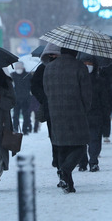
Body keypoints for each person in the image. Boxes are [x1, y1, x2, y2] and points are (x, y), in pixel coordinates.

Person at [43, 46, 91, 193]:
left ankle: (68, 184)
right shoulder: (79, 67)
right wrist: (85, 108)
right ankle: (65, 170)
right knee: (81, 145)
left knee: (62, 147)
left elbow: (46, 91)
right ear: (75, 52)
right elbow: (86, 93)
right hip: (76, 111)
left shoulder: (49, 68)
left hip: (55, 112)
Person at [31, 43, 64, 187]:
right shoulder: (42, 68)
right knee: (54, 136)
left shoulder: (66, 67)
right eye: (50, 55)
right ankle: (59, 164)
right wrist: (44, 98)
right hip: (50, 108)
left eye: (55, 54)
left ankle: (64, 165)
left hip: (67, 107)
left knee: (66, 137)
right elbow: (35, 86)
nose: (52, 57)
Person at [78, 55, 112, 172]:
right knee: (81, 141)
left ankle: (93, 161)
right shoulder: (76, 81)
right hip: (80, 114)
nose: (88, 67)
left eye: (90, 64)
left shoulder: (100, 81)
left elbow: (105, 100)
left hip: (95, 114)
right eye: (85, 64)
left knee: (95, 139)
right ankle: (82, 162)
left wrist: (105, 113)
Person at [10, 62, 32, 135]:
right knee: (15, 115)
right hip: (16, 99)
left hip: (26, 99)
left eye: (19, 67)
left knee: (26, 115)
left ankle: (25, 129)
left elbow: (31, 86)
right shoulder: (13, 76)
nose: (18, 69)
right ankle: (15, 128)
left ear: (23, 68)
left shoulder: (28, 75)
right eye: (17, 68)